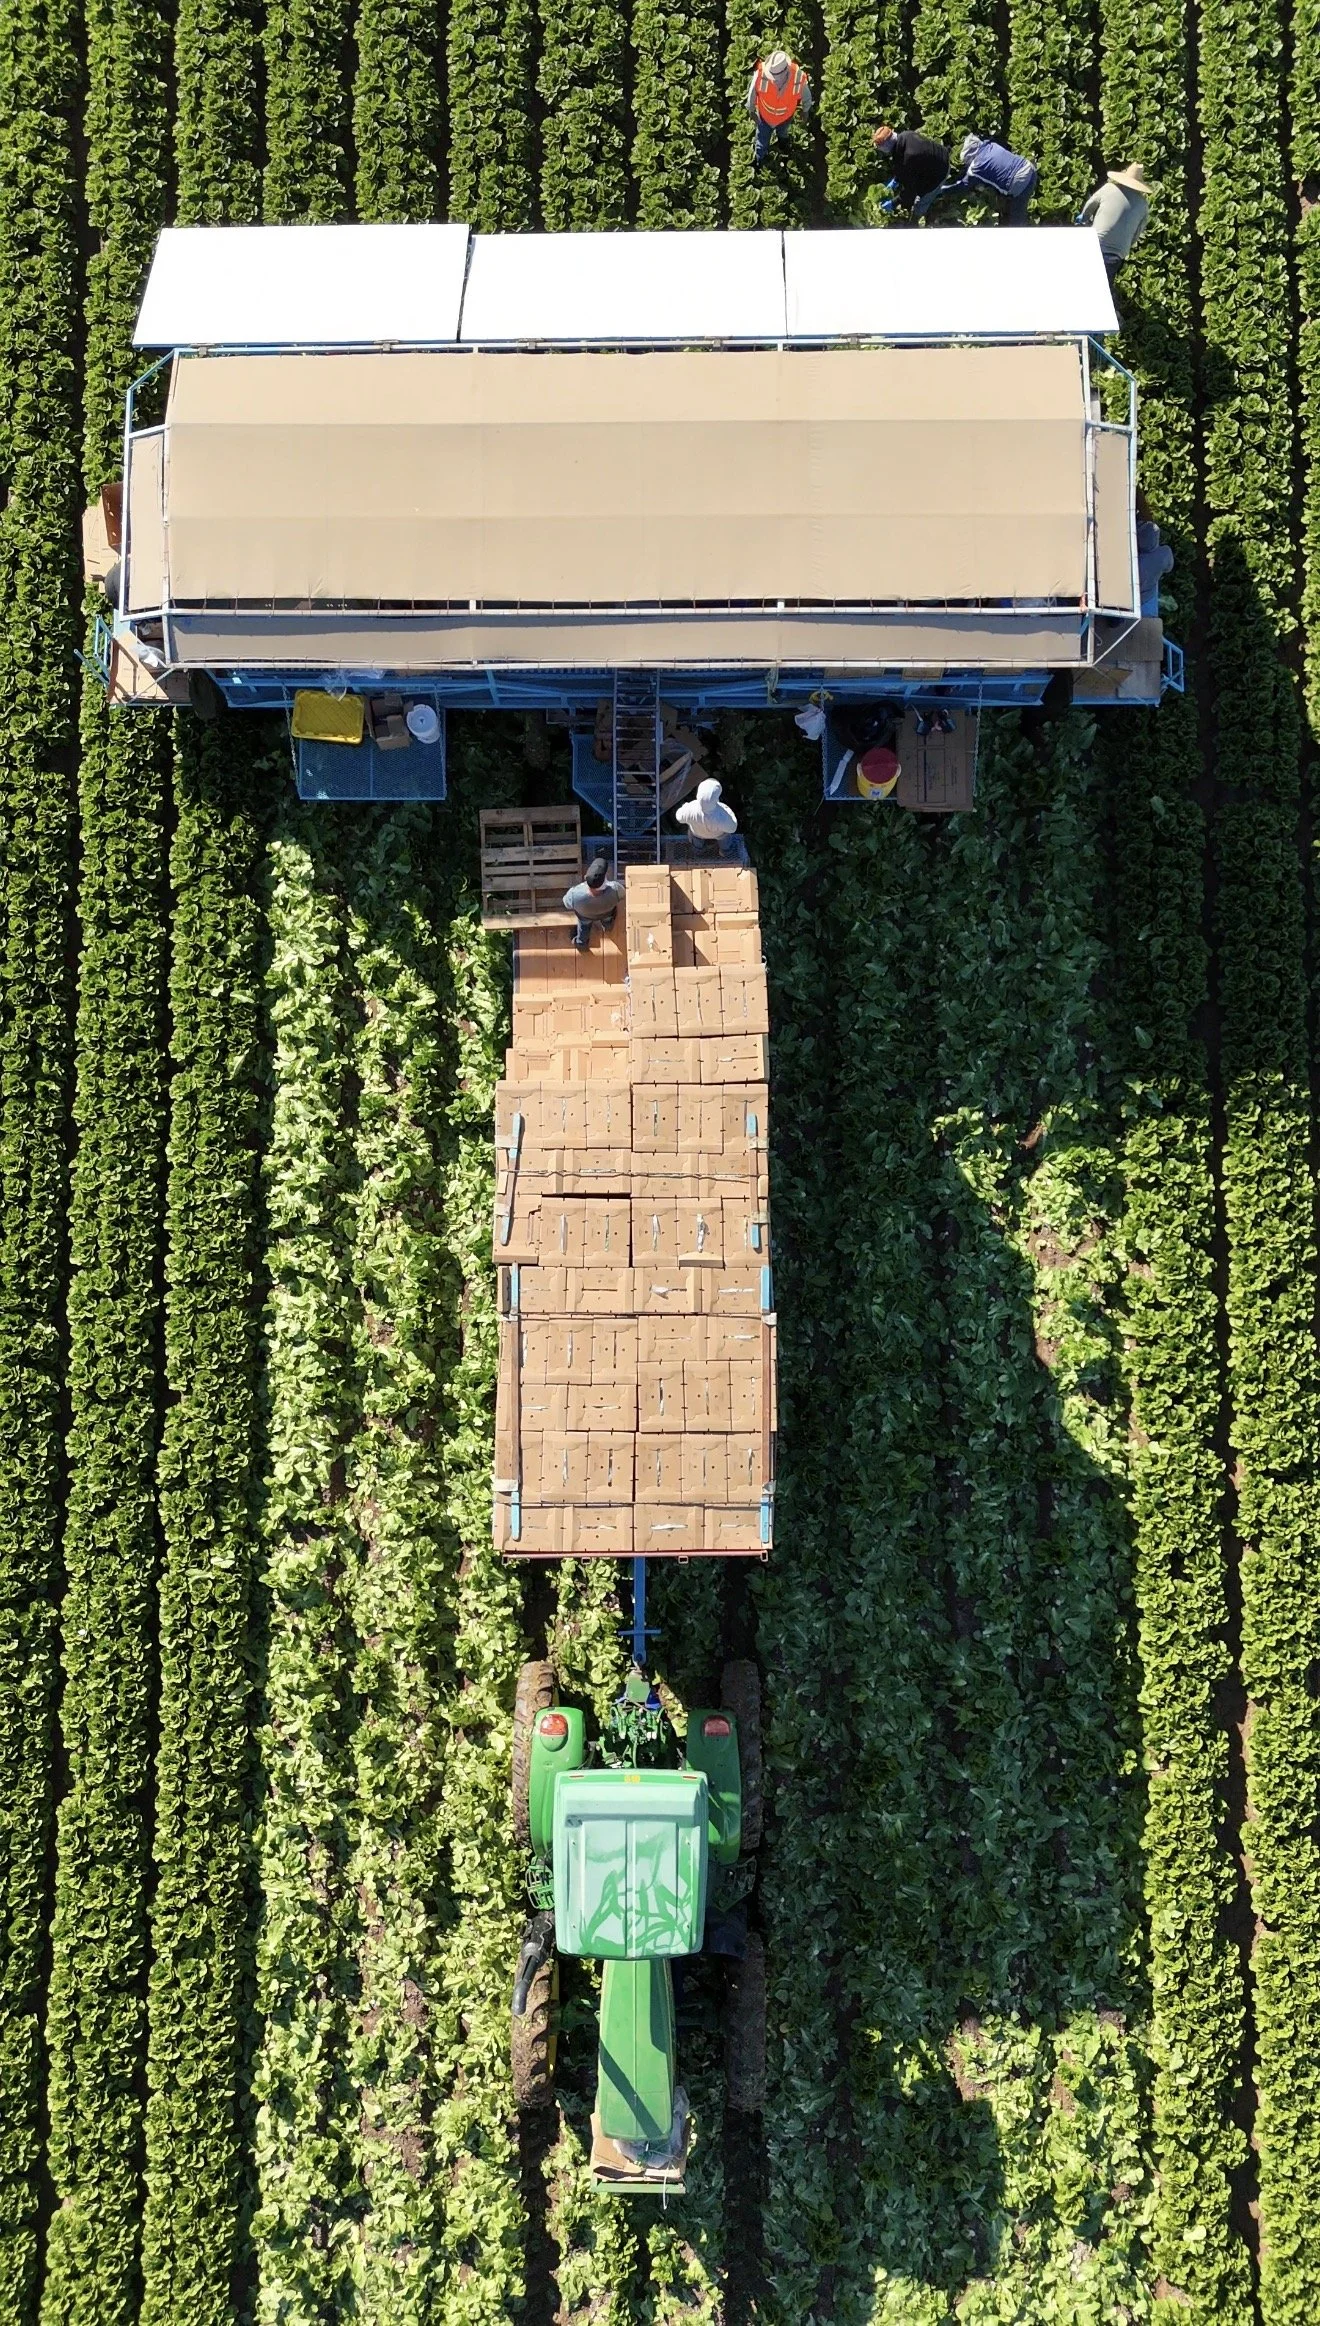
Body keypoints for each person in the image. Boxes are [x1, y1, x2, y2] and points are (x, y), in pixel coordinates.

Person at [1079, 163, 1154, 281]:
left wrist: (1084, 217)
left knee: (1084, 280)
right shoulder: (1143, 205)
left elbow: (1090, 205)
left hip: (1097, 244)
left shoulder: (1109, 188)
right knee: (1104, 287)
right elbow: (1137, 234)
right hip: (1117, 254)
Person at [747, 50, 812, 170]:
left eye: (775, 76)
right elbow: (752, 94)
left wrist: (805, 110)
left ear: (785, 71)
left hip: (785, 117)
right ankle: (759, 161)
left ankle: (784, 145)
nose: (773, 78)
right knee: (761, 141)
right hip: (764, 117)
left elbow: (806, 96)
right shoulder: (760, 75)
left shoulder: (797, 77)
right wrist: (751, 110)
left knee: (783, 133)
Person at [959, 133, 1039, 225]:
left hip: (1020, 181)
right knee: (1013, 208)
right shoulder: (992, 146)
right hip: (1030, 169)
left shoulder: (978, 166)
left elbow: (966, 183)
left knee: (1016, 220)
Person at [872, 124, 950, 211]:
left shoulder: (906, 161)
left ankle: (921, 214)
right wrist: (896, 180)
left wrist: (893, 203)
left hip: (940, 172)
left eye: (879, 147)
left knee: (920, 203)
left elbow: (910, 193)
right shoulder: (906, 134)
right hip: (942, 155)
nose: (879, 149)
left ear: (886, 146)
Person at [563, 856, 624, 951]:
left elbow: (566, 903)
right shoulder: (615, 889)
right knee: (608, 921)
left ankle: (581, 944)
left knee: (584, 928)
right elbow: (623, 895)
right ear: (604, 881)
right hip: (606, 914)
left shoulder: (574, 894)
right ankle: (607, 928)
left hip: (585, 916)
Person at [675, 776, 739, 852]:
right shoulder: (722, 813)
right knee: (725, 837)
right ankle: (725, 851)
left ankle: (697, 850)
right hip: (718, 835)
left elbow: (679, 817)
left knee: (694, 836)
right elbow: (732, 828)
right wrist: (729, 812)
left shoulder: (690, 808)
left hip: (697, 833)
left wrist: (685, 806)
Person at [1136, 518, 1174, 617]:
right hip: (1146, 597)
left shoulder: (1134, 556)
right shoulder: (1164, 554)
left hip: (1133, 594)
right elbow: (1168, 569)